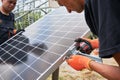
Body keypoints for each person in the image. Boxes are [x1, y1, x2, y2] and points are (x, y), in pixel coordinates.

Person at [57, 0, 120, 80]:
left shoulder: (101, 5)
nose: (68, 11)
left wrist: (86, 63)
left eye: (63, 4)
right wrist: (95, 43)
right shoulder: (97, 5)